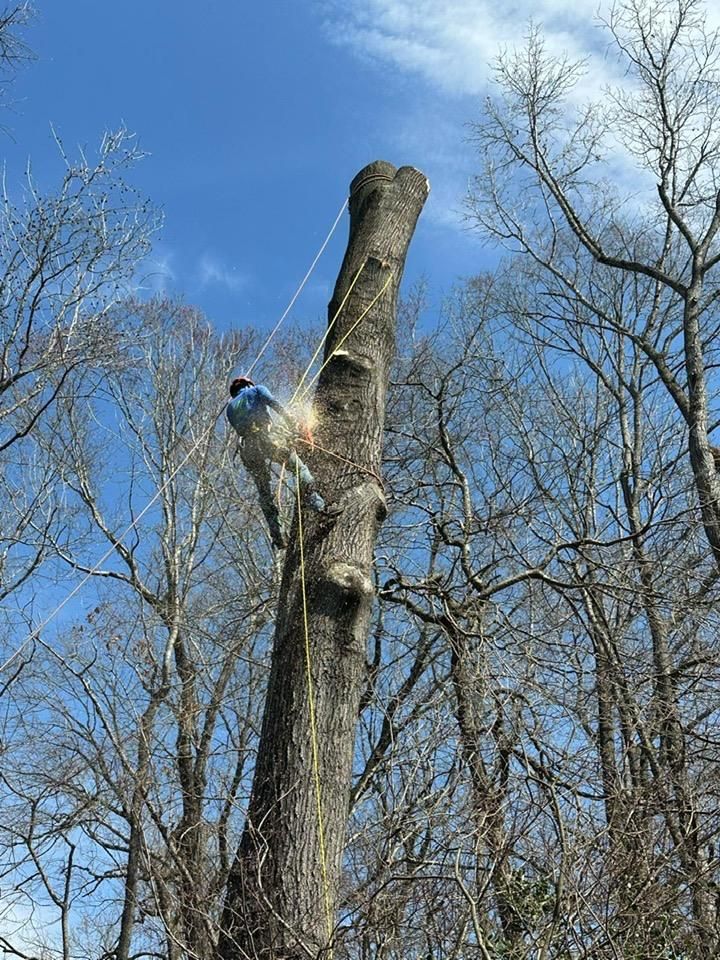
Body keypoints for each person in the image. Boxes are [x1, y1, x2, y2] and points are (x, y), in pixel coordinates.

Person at [226, 376, 326, 549]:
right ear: (249, 384)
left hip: (248, 450)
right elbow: (274, 404)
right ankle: (319, 506)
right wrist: (291, 424)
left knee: (264, 493)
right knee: (298, 467)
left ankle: (277, 535)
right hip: (266, 437)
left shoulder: (230, 408)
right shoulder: (256, 390)